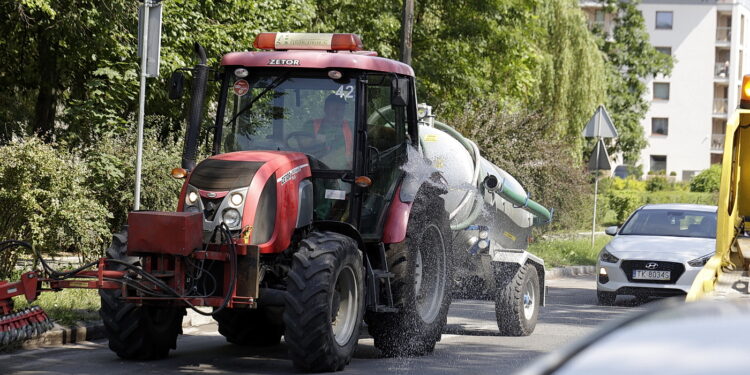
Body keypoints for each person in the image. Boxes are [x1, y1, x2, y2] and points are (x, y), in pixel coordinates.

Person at [310, 94, 353, 168]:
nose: (338, 112)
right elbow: (302, 145)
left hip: (345, 173)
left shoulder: (351, 126)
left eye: (341, 109)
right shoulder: (311, 125)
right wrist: (317, 140)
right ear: (325, 109)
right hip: (316, 170)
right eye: (335, 108)